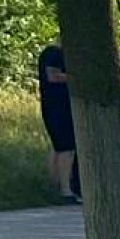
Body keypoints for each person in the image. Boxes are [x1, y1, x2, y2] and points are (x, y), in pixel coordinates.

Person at [36, 41, 81, 203]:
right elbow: (53, 76)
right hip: (57, 107)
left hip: (59, 106)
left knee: (58, 147)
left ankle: (54, 185)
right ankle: (65, 189)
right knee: (66, 148)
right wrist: (77, 78)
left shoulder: (57, 54)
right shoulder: (53, 53)